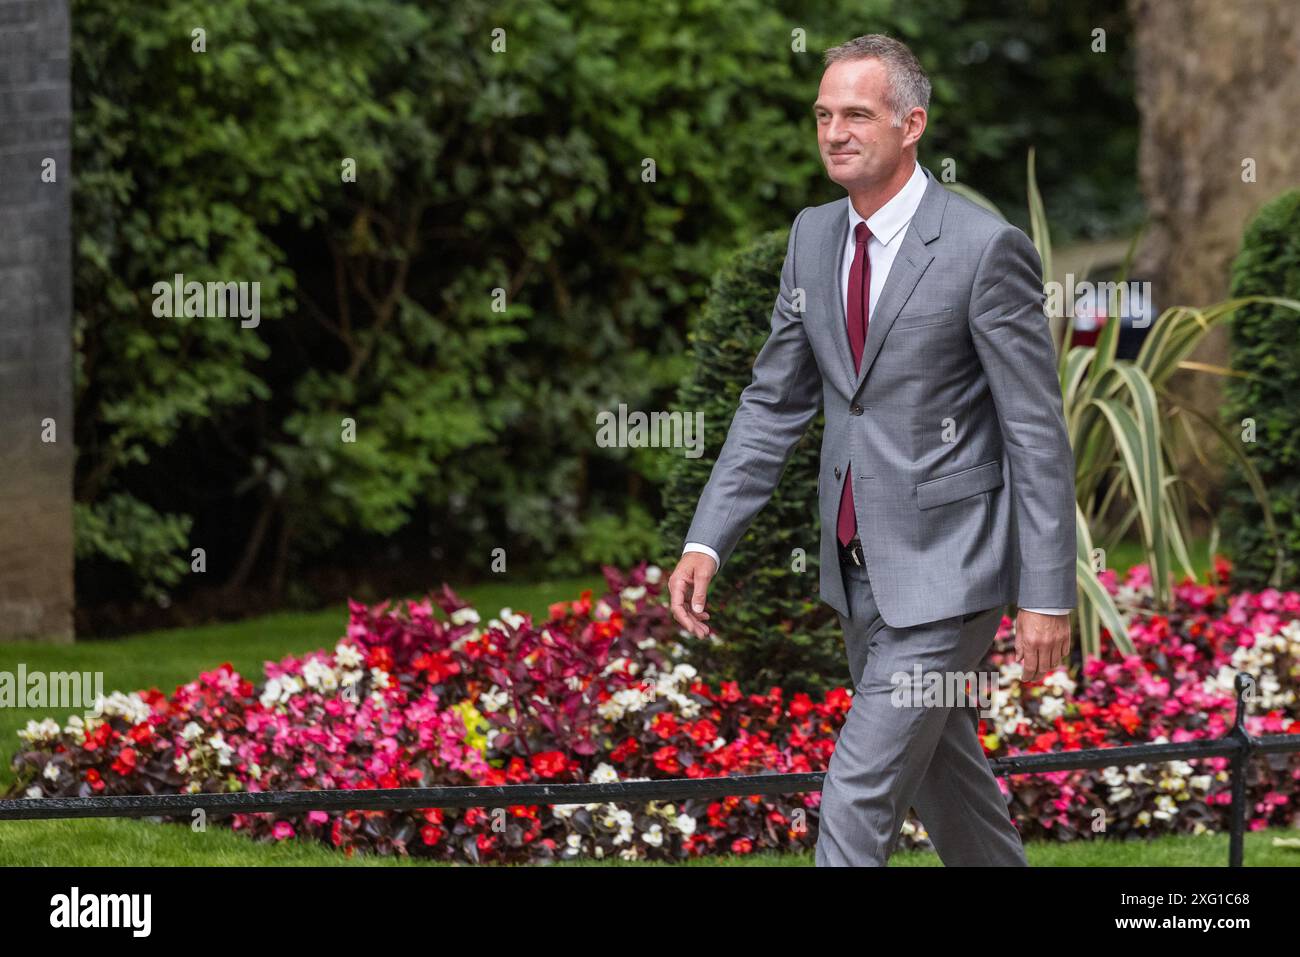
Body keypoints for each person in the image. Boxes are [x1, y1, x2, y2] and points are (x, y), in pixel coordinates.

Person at [667, 34, 1076, 866]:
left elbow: (1035, 430)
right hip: (857, 571)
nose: (834, 131)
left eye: (856, 113)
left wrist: (1047, 593)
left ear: (911, 123)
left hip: (952, 573)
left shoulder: (981, 247)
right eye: (823, 114)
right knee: (945, 775)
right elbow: (773, 402)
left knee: (858, 789)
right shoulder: (813, 238)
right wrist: (708, 538)